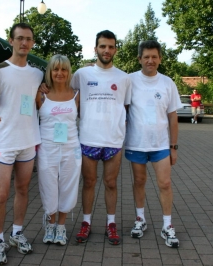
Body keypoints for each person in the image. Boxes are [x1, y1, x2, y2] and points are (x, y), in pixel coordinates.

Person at [0, 23, 43, 265]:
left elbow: (40, 101)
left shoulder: (37, 74)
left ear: (33, 42)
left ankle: (17, 233)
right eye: (20, 38)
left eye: (28, 39)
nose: (24, 43)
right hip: (4, 143)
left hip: (28, 141)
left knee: (23, 190)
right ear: (11, 40)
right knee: (1, 193)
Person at [72, 30, 131, 245]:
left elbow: (126, 107)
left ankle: (111, 224)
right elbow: (67, 98)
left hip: (113, 140)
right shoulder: (81, 74)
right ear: (95, 48)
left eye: (111, 46)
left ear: (115, 49)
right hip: (88, 138)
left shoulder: (124, 78)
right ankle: (86, 222)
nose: (107, 50)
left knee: (111, 183)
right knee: (88, 182)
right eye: (103, 46)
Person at [124, 40, 181, 248]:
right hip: (136, 143)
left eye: (154, 57)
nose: (150, 61)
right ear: (139, 59)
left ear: (160, 59)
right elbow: (121, 108)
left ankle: (167, 225)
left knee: (165, 183)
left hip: (161, 145)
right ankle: (140, 220)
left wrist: (173, 147)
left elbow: (173, 117)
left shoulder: (167, 83)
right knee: (139, 182)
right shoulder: (129, 81)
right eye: (146, 57)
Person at [35, 54, 81, 246]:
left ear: (69, 72)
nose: (59, 73)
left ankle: (61, 226)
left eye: (63, 69)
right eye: (55, 69)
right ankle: (50, 223)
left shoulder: (77, 95)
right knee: (49, 186)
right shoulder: (41, 94)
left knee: (68, 186)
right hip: (47, 147)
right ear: (50, 71)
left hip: (71, 147)